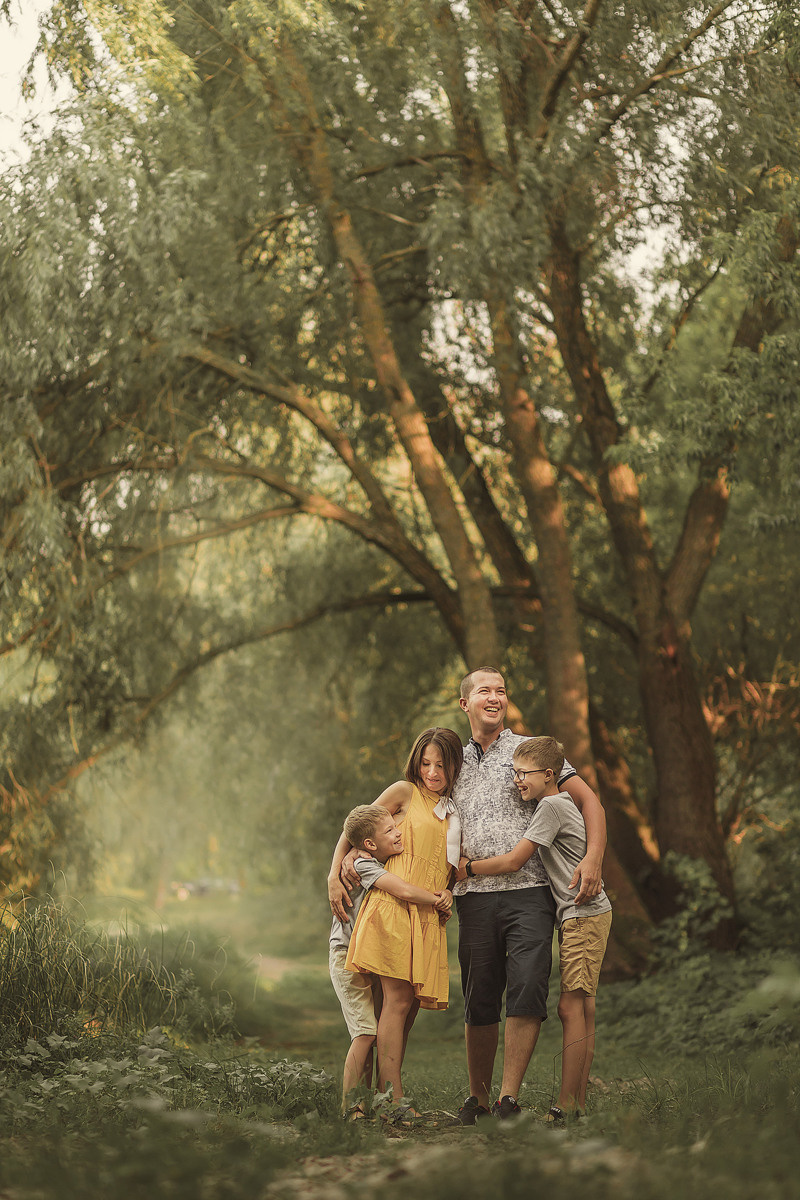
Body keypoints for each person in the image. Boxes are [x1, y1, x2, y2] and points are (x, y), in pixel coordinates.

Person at [452, 667, 606, 1122]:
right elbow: (408, 809)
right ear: (465, 704)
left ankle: (507, 1098)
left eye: (501, 691)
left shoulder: (531, 751)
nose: (494, 697)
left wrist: (593, 858)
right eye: (484, 691)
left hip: (532, 893)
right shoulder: (453, 760)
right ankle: (477, 1098)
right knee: (479, 997)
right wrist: (349, 852)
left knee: (526, 992)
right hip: (474, 895)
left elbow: (589, 801)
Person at [328, 727, 463, 1105]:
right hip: (394, 908)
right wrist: (334, 872)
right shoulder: (405, 793)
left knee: (406, 1010)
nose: (432, 772)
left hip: (427, 915)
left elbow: (446, 867)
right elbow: (356, 828)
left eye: (441, 765)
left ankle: (377, 1095)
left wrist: (448, 891)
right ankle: (392, 1101)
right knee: (397, 1002)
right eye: (425, 763)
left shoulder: (452, 810)